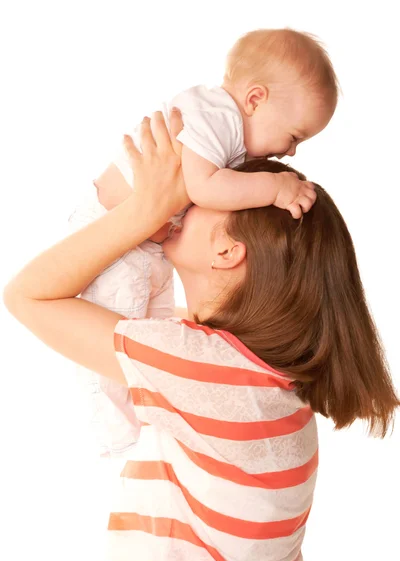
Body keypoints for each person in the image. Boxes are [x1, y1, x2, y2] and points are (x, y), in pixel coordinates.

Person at [4, 110, 398, 561]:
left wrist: (142, 212)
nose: (185, 197)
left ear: (229, 251)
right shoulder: (261, 379)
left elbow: (28, 296)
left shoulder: (205, 370)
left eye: (200, 196)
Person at [68, 27, 338, 458]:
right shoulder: (214, 116)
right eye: (294, 136)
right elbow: (205, 188)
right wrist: (274, 188)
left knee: (152, 329)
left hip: (143, 241)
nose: (290, 154)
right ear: (255, 100)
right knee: (118, 337)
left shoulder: (227, 128)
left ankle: (149, 424)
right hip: (111, 232)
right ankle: (118, 432)